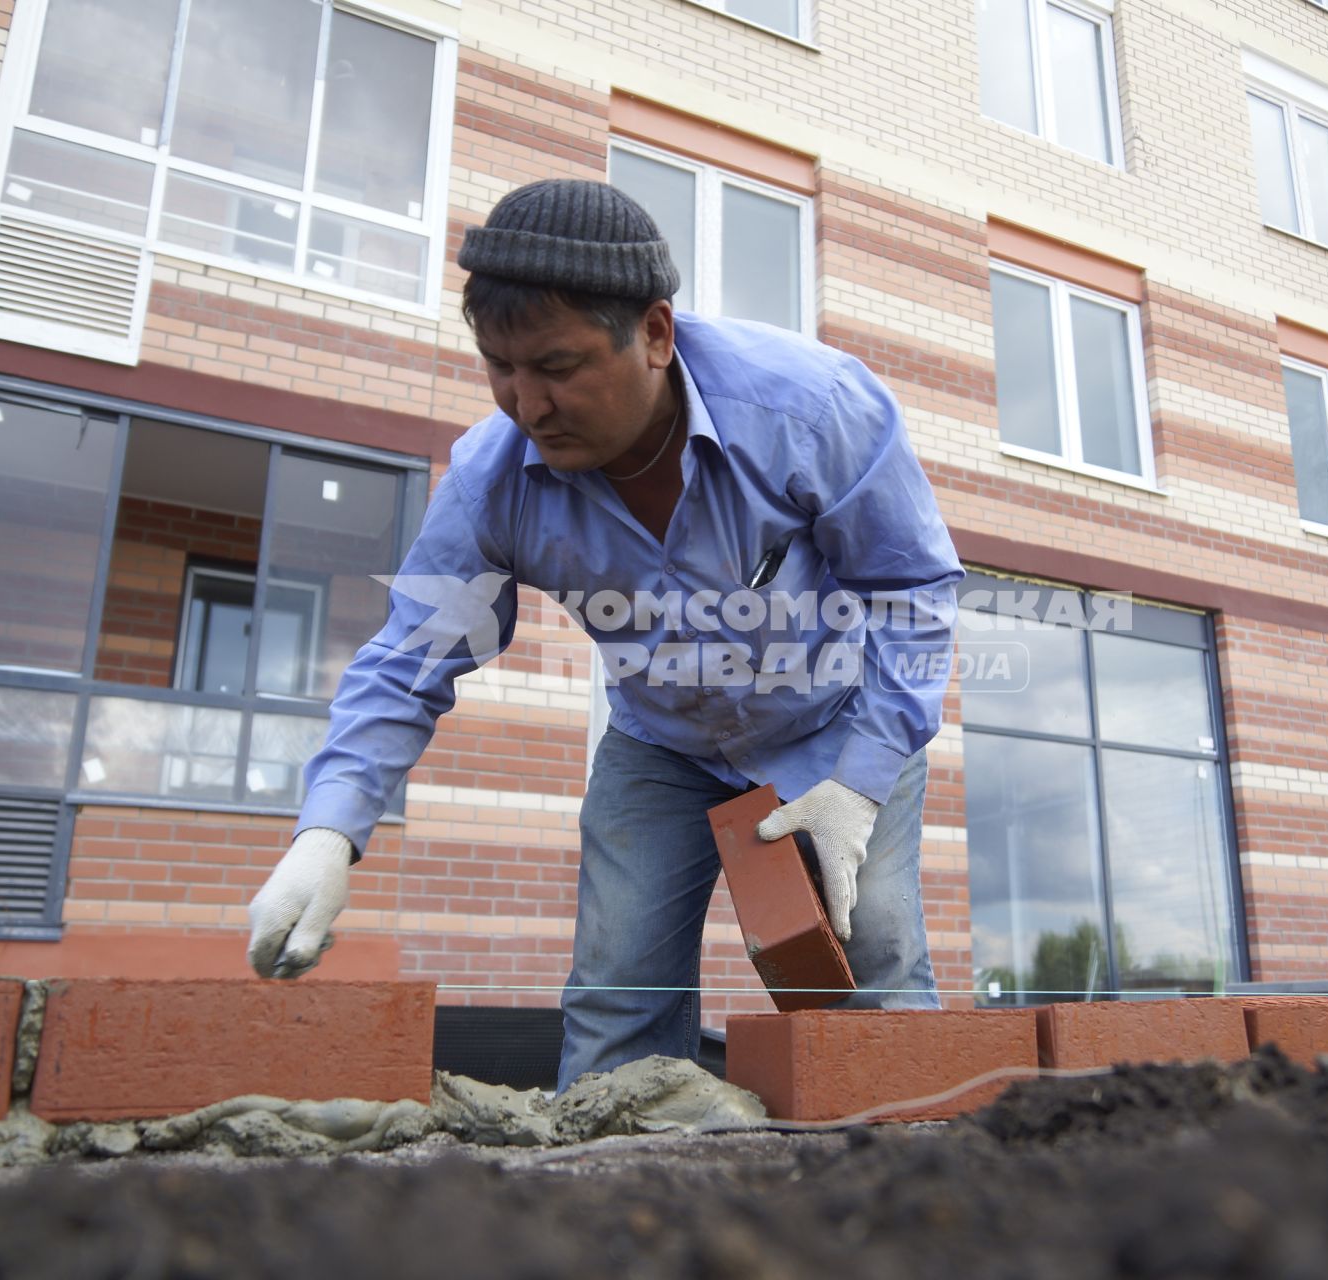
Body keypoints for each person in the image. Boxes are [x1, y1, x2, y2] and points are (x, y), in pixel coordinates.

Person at [245, 179, 963, 1092]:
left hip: (836, 724)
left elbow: (913, 590)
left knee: (873, 957)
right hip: (660, 744)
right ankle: (610, 1205)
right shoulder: (492, 483)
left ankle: (917, 1181)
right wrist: (328, 832)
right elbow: (409, 660)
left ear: (655, 335)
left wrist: (859, 788)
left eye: (557, 365)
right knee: (619, 987)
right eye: (498, 366)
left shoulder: (809, 411)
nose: (526, 404)